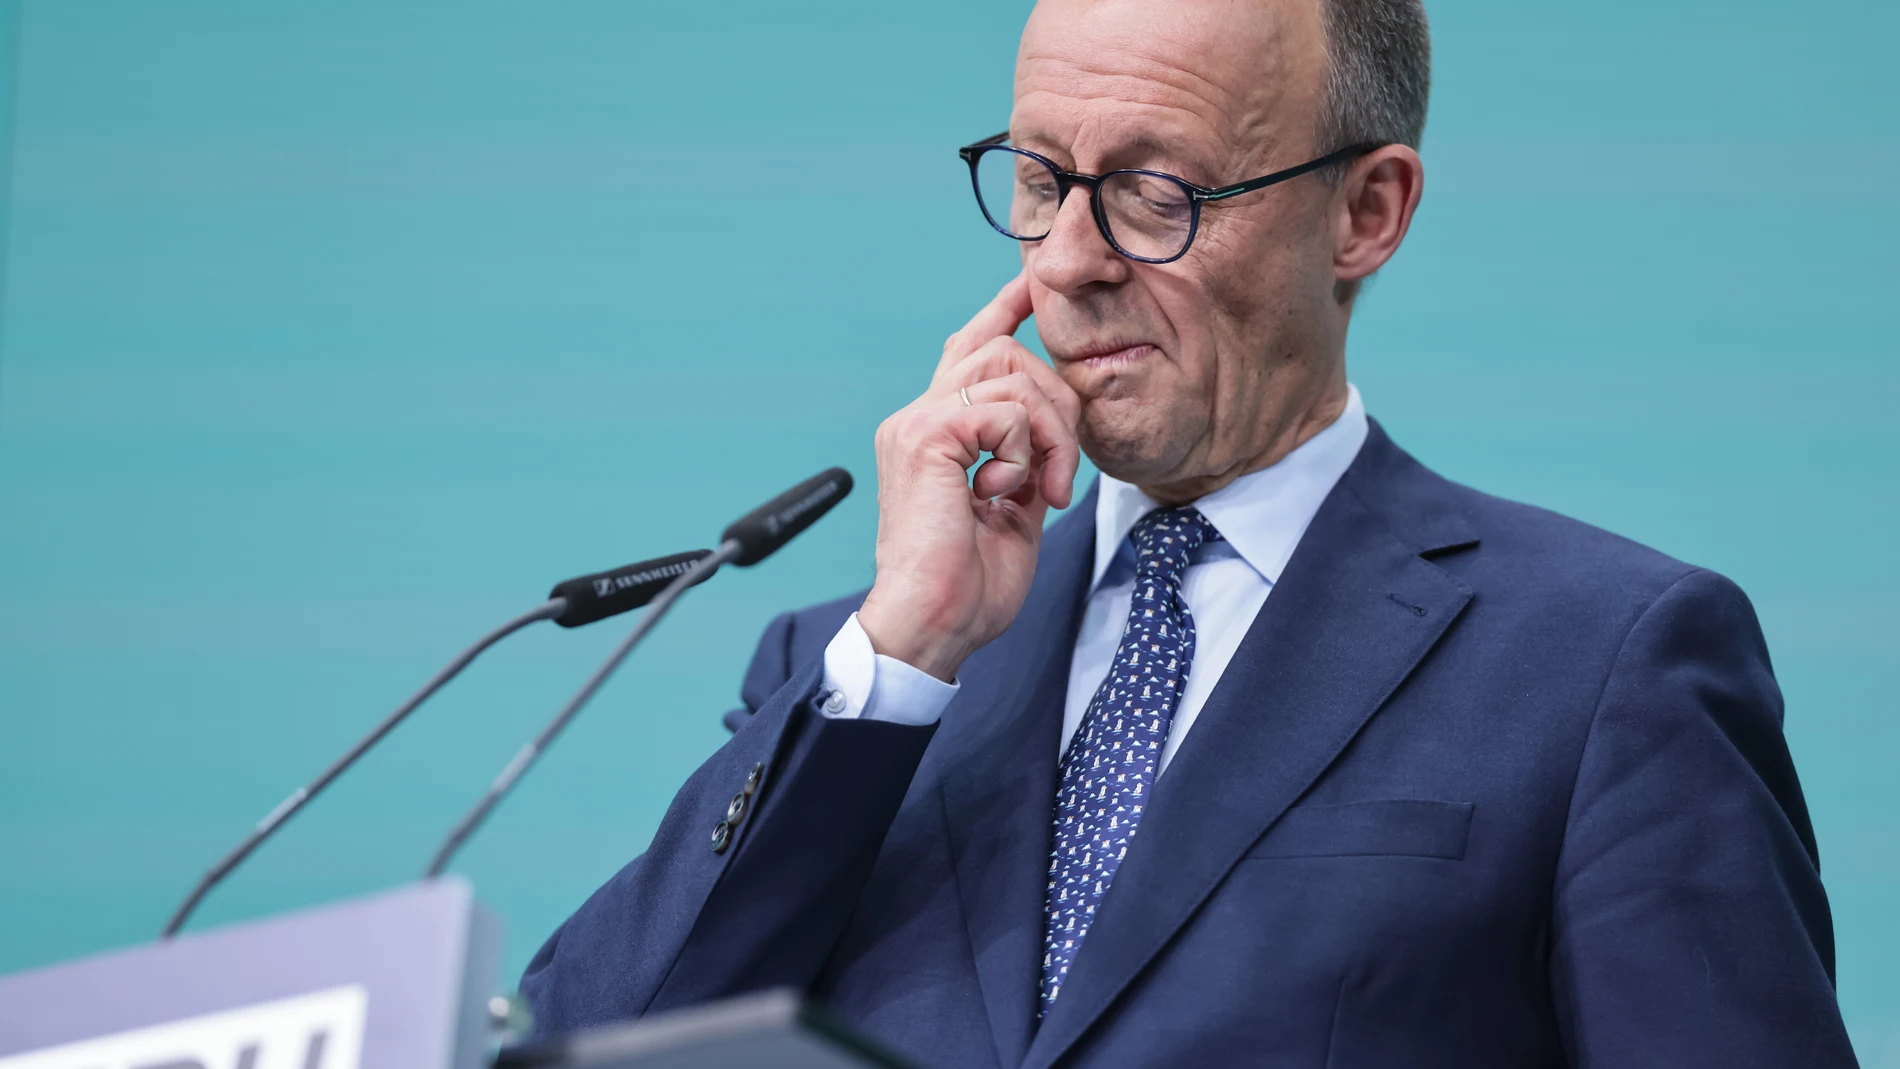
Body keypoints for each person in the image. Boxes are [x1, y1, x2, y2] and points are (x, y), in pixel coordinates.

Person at [519, 0, 1858, 1064]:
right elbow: (588, 1045)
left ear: (1367, 213)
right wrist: (904, 653)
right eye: (1039, 179)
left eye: (1158, 191)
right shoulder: (863, 684)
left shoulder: (1601, 662)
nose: (1067, 260)